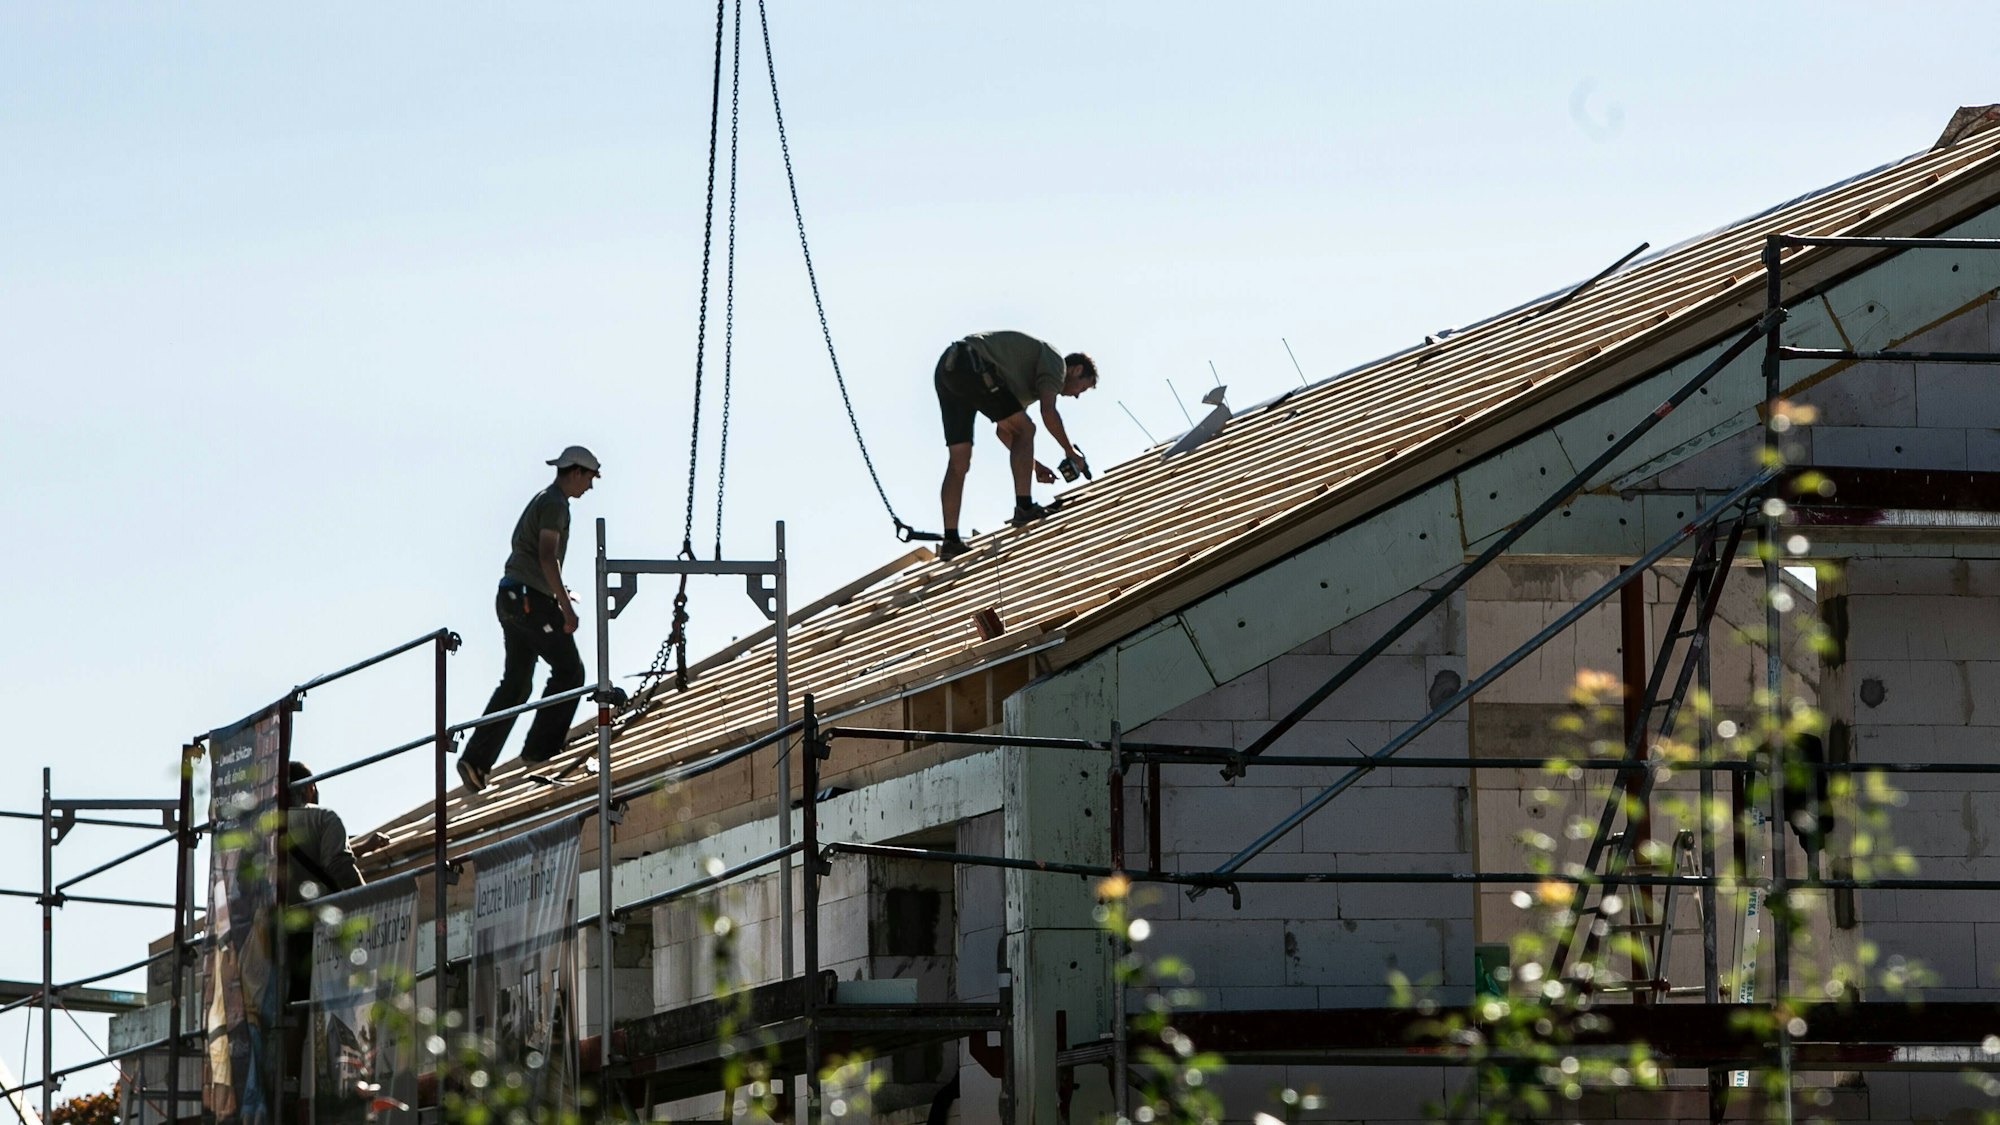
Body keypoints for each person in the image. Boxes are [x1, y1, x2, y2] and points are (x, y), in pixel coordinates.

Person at [458, 446, 601, 794]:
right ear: (577, 472)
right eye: (590, 479)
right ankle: (540, 750)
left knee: (517, 683)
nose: (590, 488)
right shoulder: (555, 503)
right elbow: (547, 555)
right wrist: (565, 608)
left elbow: (536, 560)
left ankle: (476, 760)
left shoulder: (544, 500)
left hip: (512, 598)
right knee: (570, 671)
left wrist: (556, 593)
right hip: (528, 601)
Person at [932, 331, 1097, 560]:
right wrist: (1071, 452)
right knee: (1027, 429)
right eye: (1083, 387)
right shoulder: (1055, 363)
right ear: (1077, 370)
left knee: (959, 459)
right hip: (972, 362)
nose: (1077, 396)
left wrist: (1035, 466)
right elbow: (1048, 412)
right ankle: (1025, 507)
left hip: (948, 369)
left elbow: (1005, 431)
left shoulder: (1023, 381)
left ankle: (950, 540)